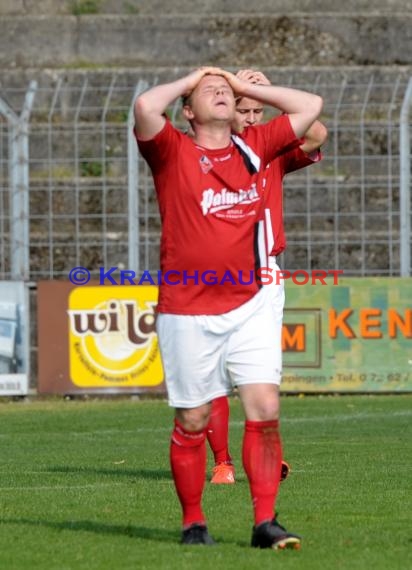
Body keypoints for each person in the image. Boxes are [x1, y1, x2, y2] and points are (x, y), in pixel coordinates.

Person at [134, 66, 323, 549]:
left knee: (265, 406)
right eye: (208, 91)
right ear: (189, 111)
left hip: (254, 297)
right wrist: (190, 78)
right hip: (188, 304)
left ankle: (265, 523)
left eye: (226, 89)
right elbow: (144, 108)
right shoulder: (171, 149)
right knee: (193, 419)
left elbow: (311, 109)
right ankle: (193, 523)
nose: (220, 91)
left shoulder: (256, 145)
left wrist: (246, 88)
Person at [207, 70, 328, 486]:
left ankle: (263, 453)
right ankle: (222, 462)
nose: (253, 117)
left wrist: (262, 92)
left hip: (265, 274)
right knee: (215, 376)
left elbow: (316, 133)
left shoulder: (272, 152)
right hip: (214, 273)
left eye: (259, 111)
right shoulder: (201, 152)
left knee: (261, 373)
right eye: (245, 110)